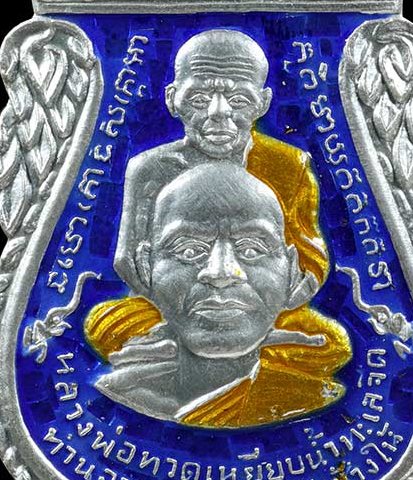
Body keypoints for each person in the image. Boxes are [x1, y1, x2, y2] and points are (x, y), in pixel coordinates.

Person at [85, 29, 351, 406]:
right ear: (172, 99)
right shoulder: (149, 169)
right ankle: (193, 351)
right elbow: (128, 260)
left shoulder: (288, 165)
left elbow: (309, 259)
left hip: (264, 304)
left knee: (332, 343)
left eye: (238, 99)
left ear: (263, 102)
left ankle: (234, 361)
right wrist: (174, 314)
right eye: (199, 98)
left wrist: (264, 313)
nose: (218, 113)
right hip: (170, 304)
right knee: (106, 325)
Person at [95, 164, 349, 426]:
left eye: (252, 250)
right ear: (146, 267)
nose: (220, 272)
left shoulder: (311, 397)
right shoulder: (119, 392)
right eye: (189, 250)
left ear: (293, 271)